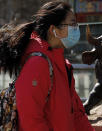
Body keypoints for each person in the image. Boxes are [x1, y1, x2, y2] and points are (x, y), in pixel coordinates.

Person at [0, 1, 94, 131]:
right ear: (53, 30)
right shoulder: (38, 64)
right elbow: (31, 120)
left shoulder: (63, 64)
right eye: (72, 24)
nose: (76, 28)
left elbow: (76, 112)